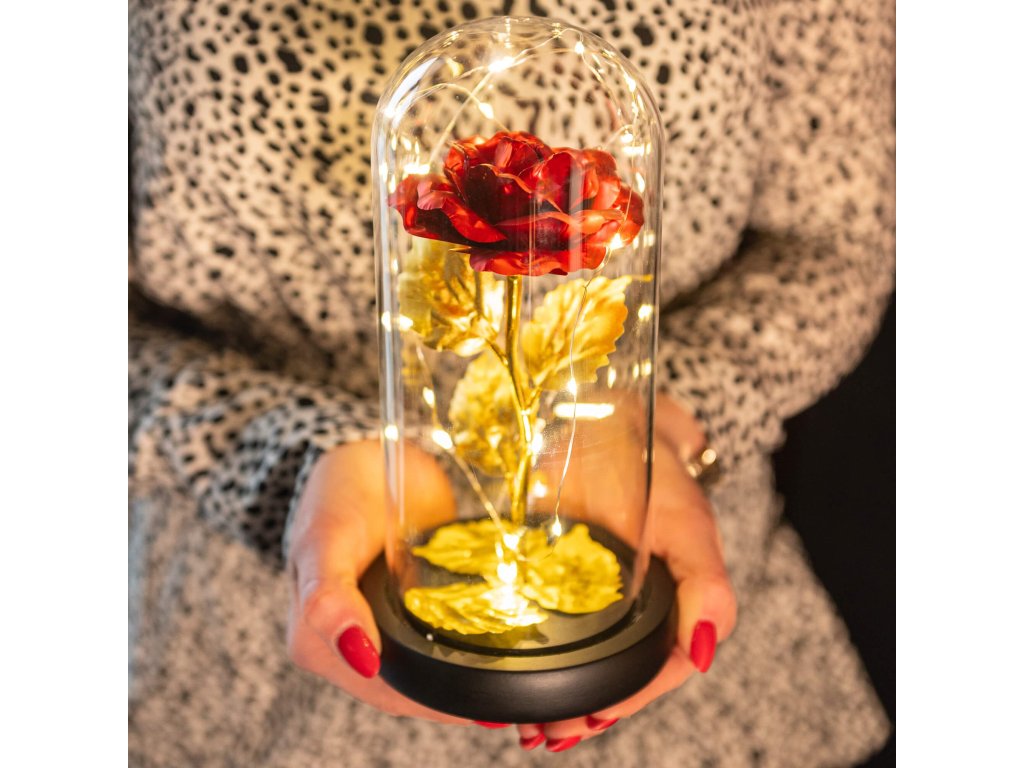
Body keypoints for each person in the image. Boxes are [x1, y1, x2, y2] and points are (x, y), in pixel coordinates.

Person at [128, 0, 894, 765]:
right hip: (231, 647)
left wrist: (656, 423)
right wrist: (281, 451)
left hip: (675, 604)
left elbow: (841, 239)